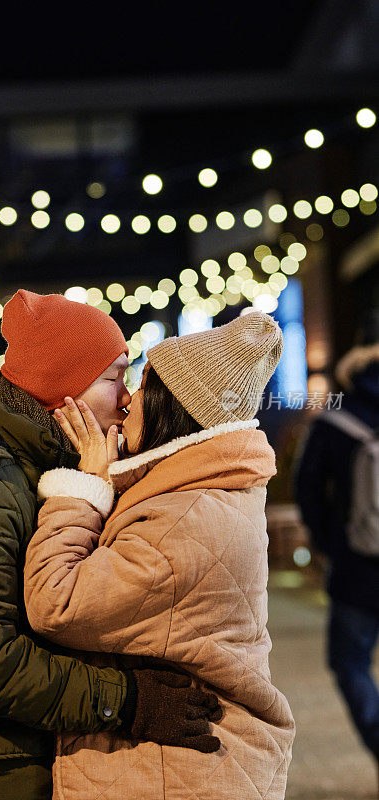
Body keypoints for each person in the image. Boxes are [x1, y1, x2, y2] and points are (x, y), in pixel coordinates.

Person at [0, 290, 221, 800]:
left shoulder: (28, 463)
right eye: (115, 376)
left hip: (11, 760)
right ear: (61, 387)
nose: (127, 397)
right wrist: (127, 701)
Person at [24, 311, 296, 800]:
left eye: (143, 382)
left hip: (174, 773)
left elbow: (55, 601)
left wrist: (81, 489)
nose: (127, 400)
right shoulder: (196, 492)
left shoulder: (181, 515)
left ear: (173, 407)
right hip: (188, 767)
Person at [295, 329, 379, 779]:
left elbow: (307, 489)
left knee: (350, 663)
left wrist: (331, 544)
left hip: (357, 568)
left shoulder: (336, 420)